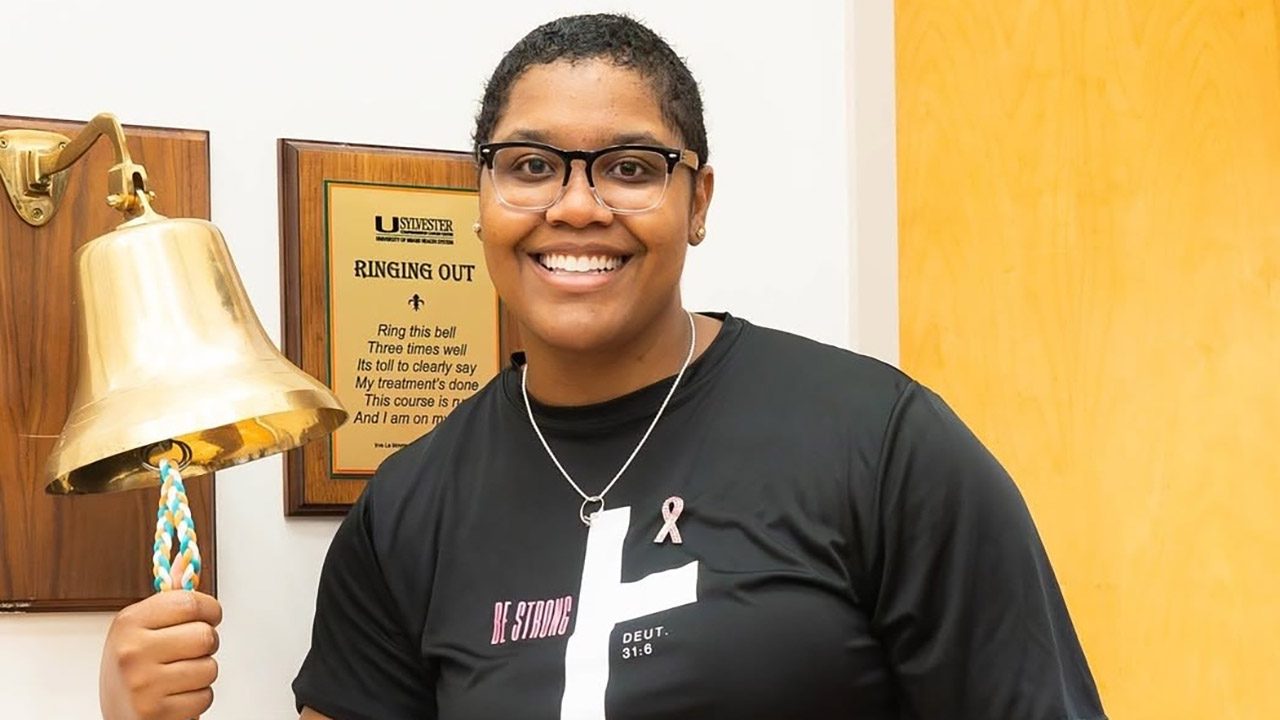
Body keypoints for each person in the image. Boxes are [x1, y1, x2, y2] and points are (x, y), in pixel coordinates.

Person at [99, 13, 1107, 720]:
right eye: (530, 165)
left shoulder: (880, 449)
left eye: (628, 167)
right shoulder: (409, 510)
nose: (575, 207)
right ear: (481, 197)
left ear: (697, 200)